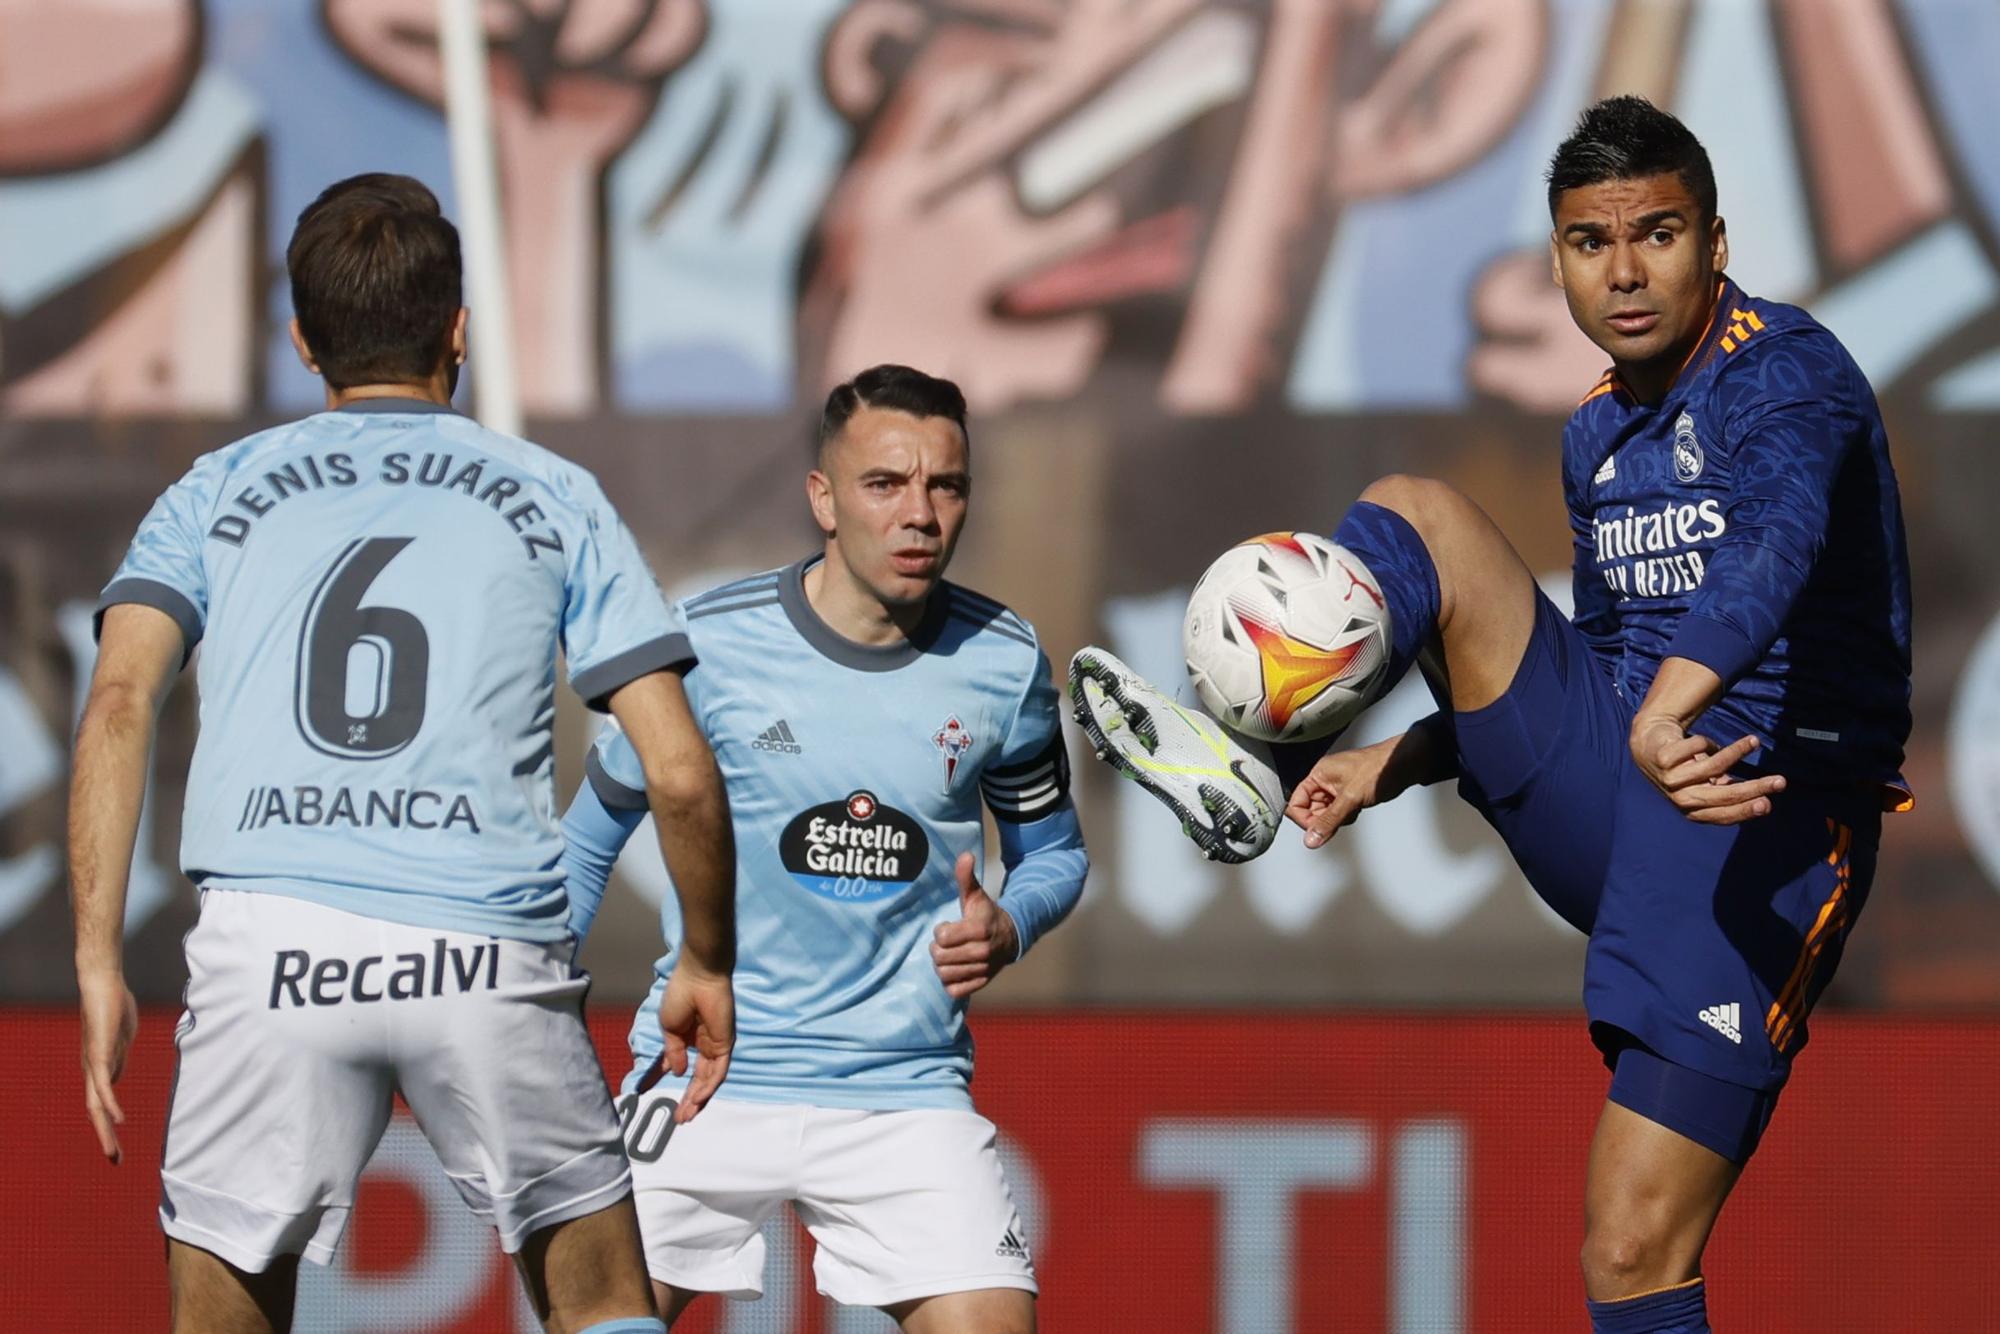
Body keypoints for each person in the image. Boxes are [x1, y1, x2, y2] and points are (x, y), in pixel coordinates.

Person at [1072, 96, 1910, 1334]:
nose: (1622, 272)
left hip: (1757, 824)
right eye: (1588, 242)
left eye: (1657, 234)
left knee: (1629, 1246)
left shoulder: (1788, 374)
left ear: (1715, 243)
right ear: (1558, 257)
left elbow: (1772, 551)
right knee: (1414, 510)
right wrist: (1394, 761)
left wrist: (1670, 702)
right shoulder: (1594, 432)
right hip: (1628, 774)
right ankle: (1258, 751)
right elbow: (1618, 650)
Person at [69, 173, 736, 1334]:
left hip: (271, 943)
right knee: (602, 1303)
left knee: (224, 1306)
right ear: (457, 329)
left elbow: (120, 702)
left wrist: (94, 958)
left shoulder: (212, 491)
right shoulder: (555, 494)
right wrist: (707, 960)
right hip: (482, 943)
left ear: (302, 342)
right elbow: (676, 770)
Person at [560, 364, 1087, 1333]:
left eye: (945, 485)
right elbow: (584, 850)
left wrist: (1010, 923)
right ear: (823, 498)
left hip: (900, 1088)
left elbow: (1054, 852)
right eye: (885, 483)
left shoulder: (1004, 661)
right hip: (704, 1075)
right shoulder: (705, 645)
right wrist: (528, 1020)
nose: (918, 513)